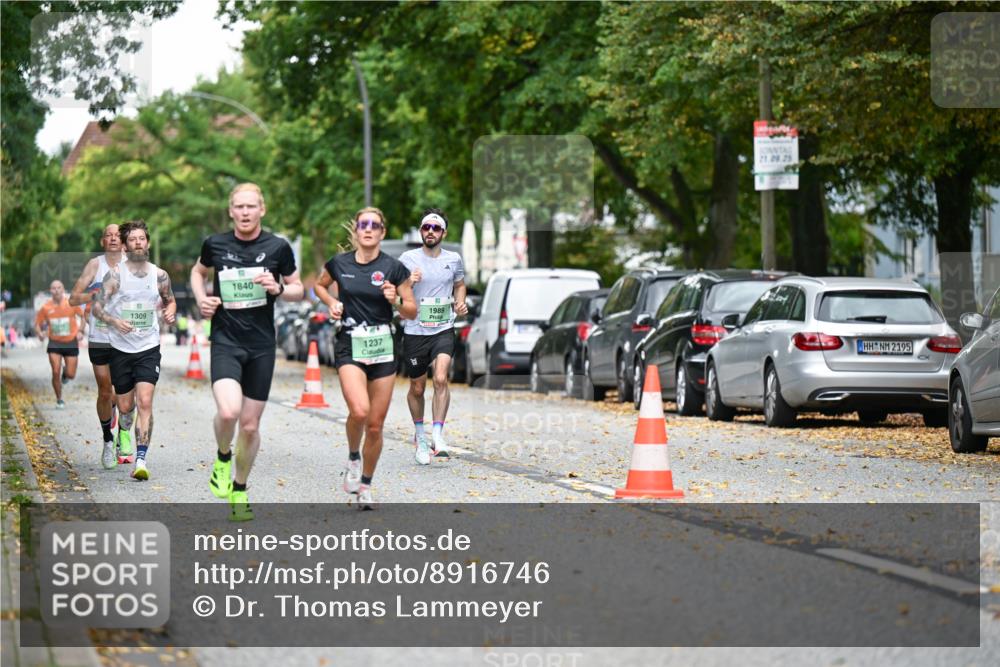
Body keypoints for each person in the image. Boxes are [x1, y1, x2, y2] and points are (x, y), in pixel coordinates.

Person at [190, 183, 303, 521]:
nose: (244, 212)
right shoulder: (215, 244)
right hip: (226, 339)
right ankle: (223, 457)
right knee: (228, 413)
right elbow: (198, 273)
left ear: (262, 210)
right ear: (230, 211)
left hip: (261, 345)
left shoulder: (277, 247)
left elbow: (299, 289)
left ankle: (239, 489)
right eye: (238, 207)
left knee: (250, 427)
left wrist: (279, 288)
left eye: (250, 207)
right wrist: (201, 300)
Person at [314, 207, 416, 510]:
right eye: (363, 225)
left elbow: (412, 309)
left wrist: (395, 300)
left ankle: (366, 485)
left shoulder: (394, 269)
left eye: (375, 225)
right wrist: (333, 303)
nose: (368, 229)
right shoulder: (339, 263)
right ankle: (353, 457)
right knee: (359, 411)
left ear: (382, 232)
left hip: (383, 345)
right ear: (356, 232)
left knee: (375, 424)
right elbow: (319, 285)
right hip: (350, 343)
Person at [92, 220, 176, 480]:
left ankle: (141, 459)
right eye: (133, 239)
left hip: (148, 347)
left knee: (145, 401)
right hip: (120, 348)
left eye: (142, 238)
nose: (138, 242)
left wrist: (171, 311)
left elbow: (169, 300)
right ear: (126, 246)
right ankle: (121, 427)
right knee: (126, 405)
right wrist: (115, 321)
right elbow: (97, 308)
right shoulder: (115, 276)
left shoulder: (160, 275)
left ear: (147, 243)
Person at [399, 209, 468, 464]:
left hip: (442, 327)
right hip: (415, 330)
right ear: (421, 231)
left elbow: (459, 284)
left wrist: (460, 304)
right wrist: (410, 281)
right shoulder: (408, 258)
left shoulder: (454, 259)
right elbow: (396, 290)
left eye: (436, 228)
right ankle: (420, 435)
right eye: (426, 227)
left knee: (440, 378)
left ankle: (438, 434)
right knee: (417, 387)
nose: (430, 232)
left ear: (443, 233)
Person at [70, 224, 124, 468]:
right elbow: (73, 298)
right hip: (100, 337)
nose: (113, 238)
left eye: (117, 235)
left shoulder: (134, 265)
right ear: (103, 241)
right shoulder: (95, 265)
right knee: (105, 391)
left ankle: (124, 429)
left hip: (128, 339)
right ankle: (108, 441)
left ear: (123, 241)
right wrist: (96, 296)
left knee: (121, 394)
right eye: (108, 235)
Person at [34, 280, 86, 408]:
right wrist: (40, 333)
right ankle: (59, 399)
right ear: (50, 291)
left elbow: (83, 316)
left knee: (71, 374)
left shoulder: (71, 304)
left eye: (59, 288)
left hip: (71, 342)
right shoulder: (46, 307)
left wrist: (80, 331)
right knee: (55, 371)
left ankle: (66, 374)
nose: (56, 290)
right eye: (53, 288)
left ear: (63, 290)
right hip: (54, 343)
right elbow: (37, 324)